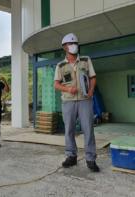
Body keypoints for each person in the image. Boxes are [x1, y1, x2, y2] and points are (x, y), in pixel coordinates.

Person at [54, 33, 100, 172]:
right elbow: (56, 85)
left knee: (88, 129)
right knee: (69, 130)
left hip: (85, 100)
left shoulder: (86, 60)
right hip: (68, 102)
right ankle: (71, 156)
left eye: (75, 43)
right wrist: (68, 88)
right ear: (64, 47)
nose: (73, 46)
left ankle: (91, 159)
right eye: (70, 43)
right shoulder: (60, 65)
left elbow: (93, 77)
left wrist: (91, 90)